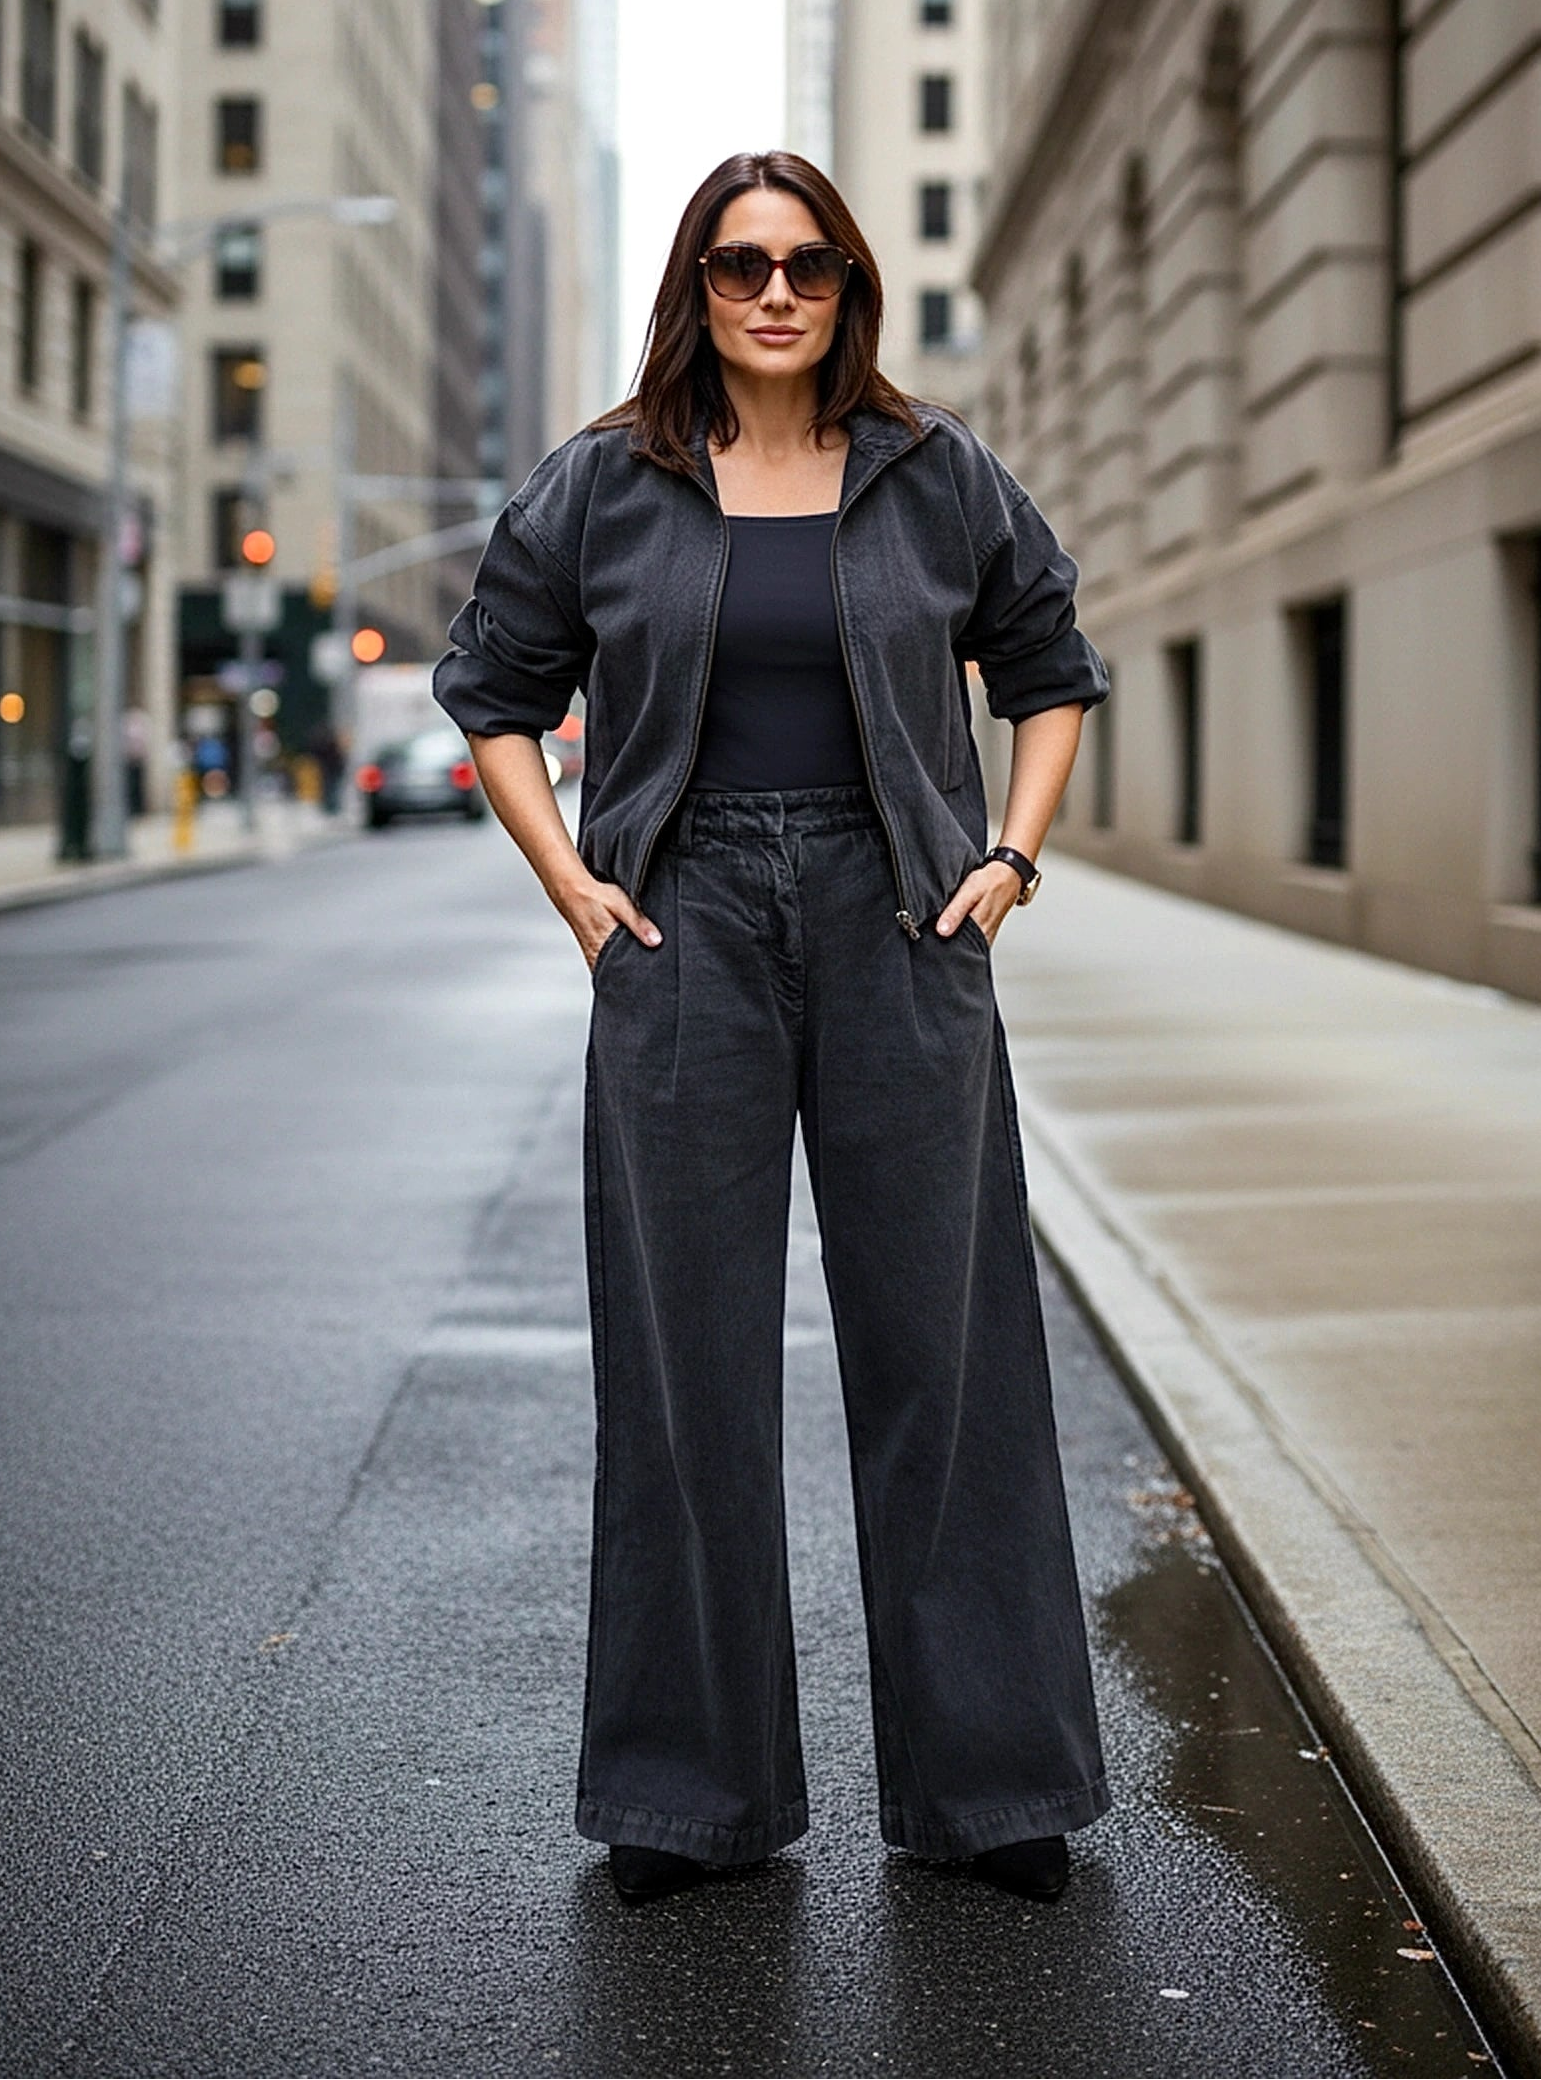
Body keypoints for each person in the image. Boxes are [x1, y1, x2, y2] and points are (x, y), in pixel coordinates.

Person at [433, 151, 1111, 1907]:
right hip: (687, 932)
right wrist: (573, 884)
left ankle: (993, 1790)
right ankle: (689, 1800)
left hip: (904, 920)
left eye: (810, 264)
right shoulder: (608, 481)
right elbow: (492, 690)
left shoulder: (934, 470)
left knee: (945, 1352)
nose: (778, 293)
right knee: (689, 1367)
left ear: (849, 284)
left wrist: (1010, 858)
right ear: (699, 287)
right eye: (742, 266)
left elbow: (1050, 667)